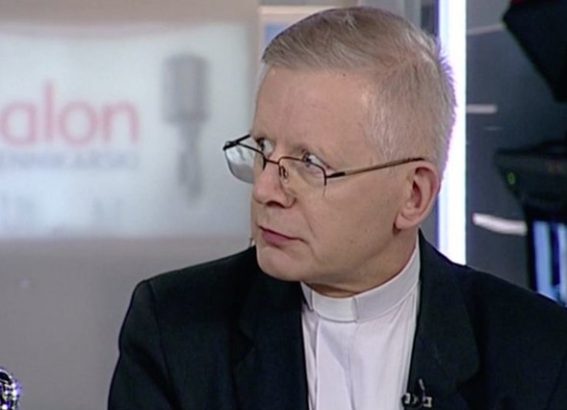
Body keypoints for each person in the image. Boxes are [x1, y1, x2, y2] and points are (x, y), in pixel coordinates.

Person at [108, 6, 567, 410]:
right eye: (263, 148)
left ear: (413, 195)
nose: (266, 189)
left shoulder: (537, 351)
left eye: (310, 163)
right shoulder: (175, 331)